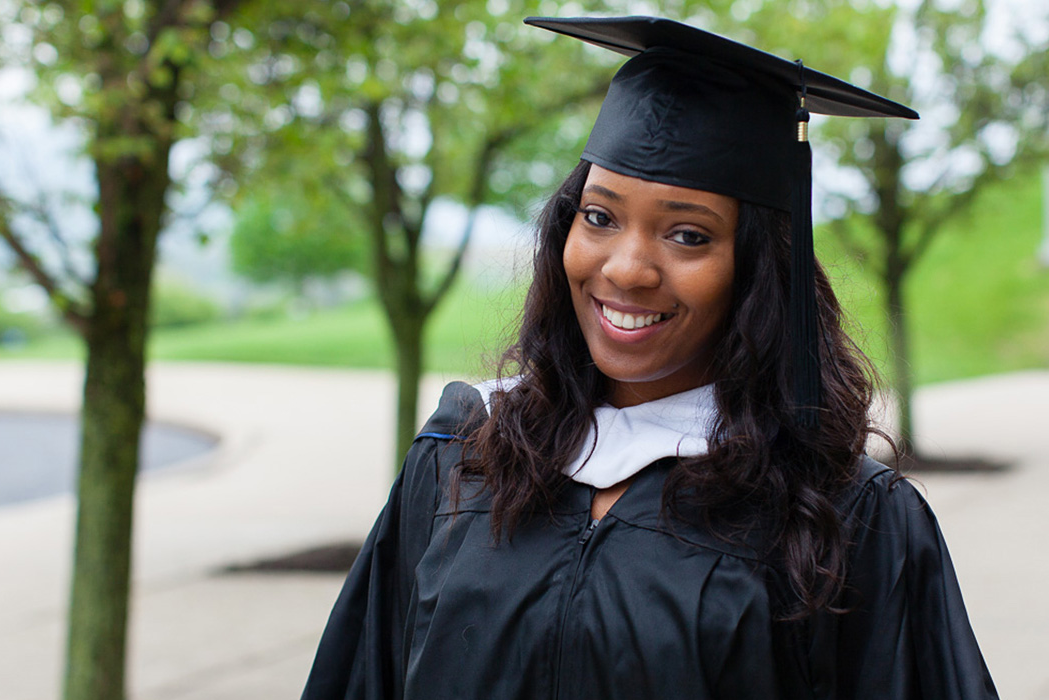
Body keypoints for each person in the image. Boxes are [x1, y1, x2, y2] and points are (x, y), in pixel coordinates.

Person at [302, 16, 998, 700]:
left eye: (688, 235)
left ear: (757, 271)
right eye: (600, 217)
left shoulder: (844, 514)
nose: (628, 269)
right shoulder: (464, 456)